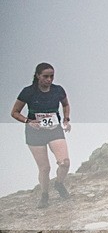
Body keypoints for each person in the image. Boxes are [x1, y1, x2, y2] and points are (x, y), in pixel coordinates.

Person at [11, 63, 72, 208]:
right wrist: (28, 121)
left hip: (54, 129)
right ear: (38, 76)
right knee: (45, 168)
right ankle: (45, 195)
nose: (49, 79)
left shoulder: (58, 90)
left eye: (51, 76)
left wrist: (66, 119)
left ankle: (59, 183)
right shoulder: (28, 92)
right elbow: (14, 112)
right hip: (35, 133)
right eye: (45, 76)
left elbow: (65, 105)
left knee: (65, 162)